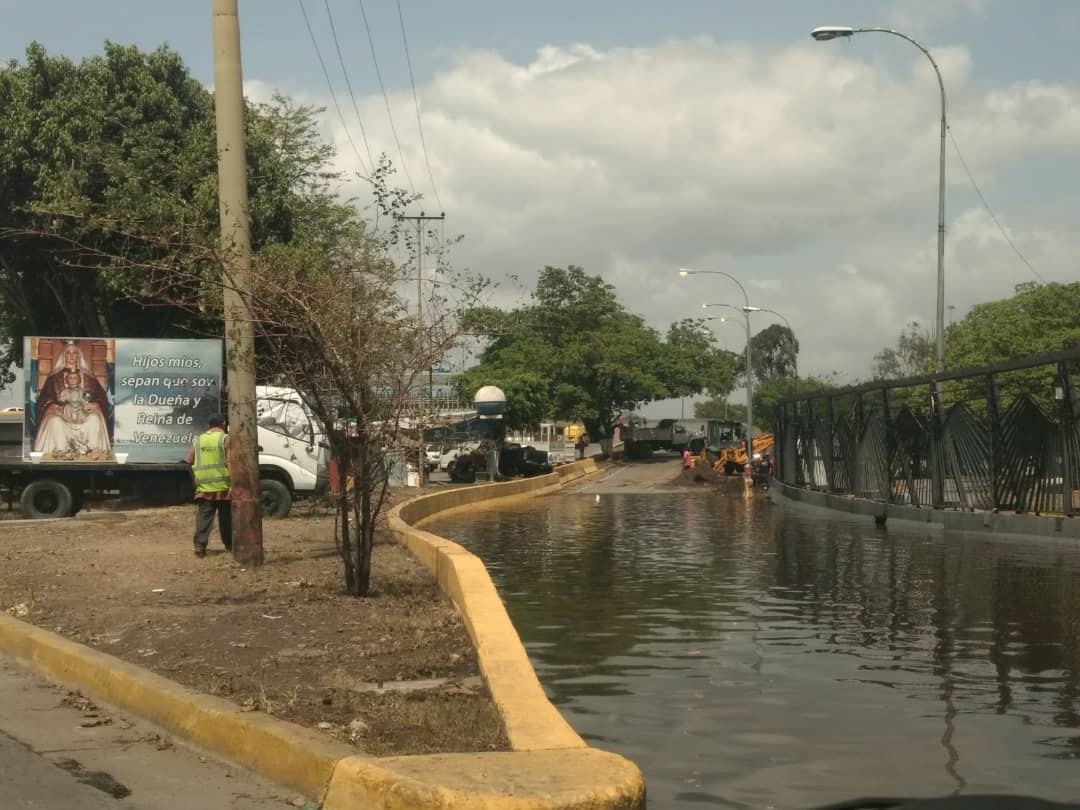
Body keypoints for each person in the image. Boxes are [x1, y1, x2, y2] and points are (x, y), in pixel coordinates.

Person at [33, 340, 111, 457]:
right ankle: (61, 452)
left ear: (79, 356)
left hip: (84, 415)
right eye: (68, 353)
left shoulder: (89, 377)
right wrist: (52, 406)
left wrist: (96, 405)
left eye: (75, 353)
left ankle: (93, 453)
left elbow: (101, 398)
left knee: (95, 419)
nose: (71, 356)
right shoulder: (54, 378)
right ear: (63, 356)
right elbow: (43, 400)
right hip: (63, 416)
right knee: (54, 422)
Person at [184, 414, 232, 558]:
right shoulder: (225, 438)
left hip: (204, 487)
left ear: (209, 426)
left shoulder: (199, 440)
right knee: (226, 519)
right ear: (223, 424)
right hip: (223, 486)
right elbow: (231, 462)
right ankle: (230, 545)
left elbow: (188, 460)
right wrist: (234, 484)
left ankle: (199, 546)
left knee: (204, 518)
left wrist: (196, 481)